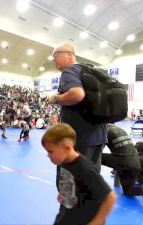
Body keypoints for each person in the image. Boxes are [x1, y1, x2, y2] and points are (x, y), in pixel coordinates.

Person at [47, 43, 107, 191]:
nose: (54, 59)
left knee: (69, 188)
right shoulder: (90, 71)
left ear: (69, 54)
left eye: (56, 55)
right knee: (91, 183)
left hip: (79, 139)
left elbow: (77, 94)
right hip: (98, 136)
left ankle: (70, 213)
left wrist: (55, 98)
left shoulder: (69, 72)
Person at [41, 124, 116, 225]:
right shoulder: (64, 160)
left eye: (50, 152)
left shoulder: (85, 168)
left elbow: (110, 197)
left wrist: (97, 222)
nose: (48, 156)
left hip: (82, 220)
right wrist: (64, 193)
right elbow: (73, 182)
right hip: (66, 215)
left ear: (67, 148)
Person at [103, 124, 143, 209]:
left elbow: (96, 149)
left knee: (97, 156)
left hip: (123, 161)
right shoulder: (120, 130)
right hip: (135, 162)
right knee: (128, 191)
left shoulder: (103, 130)